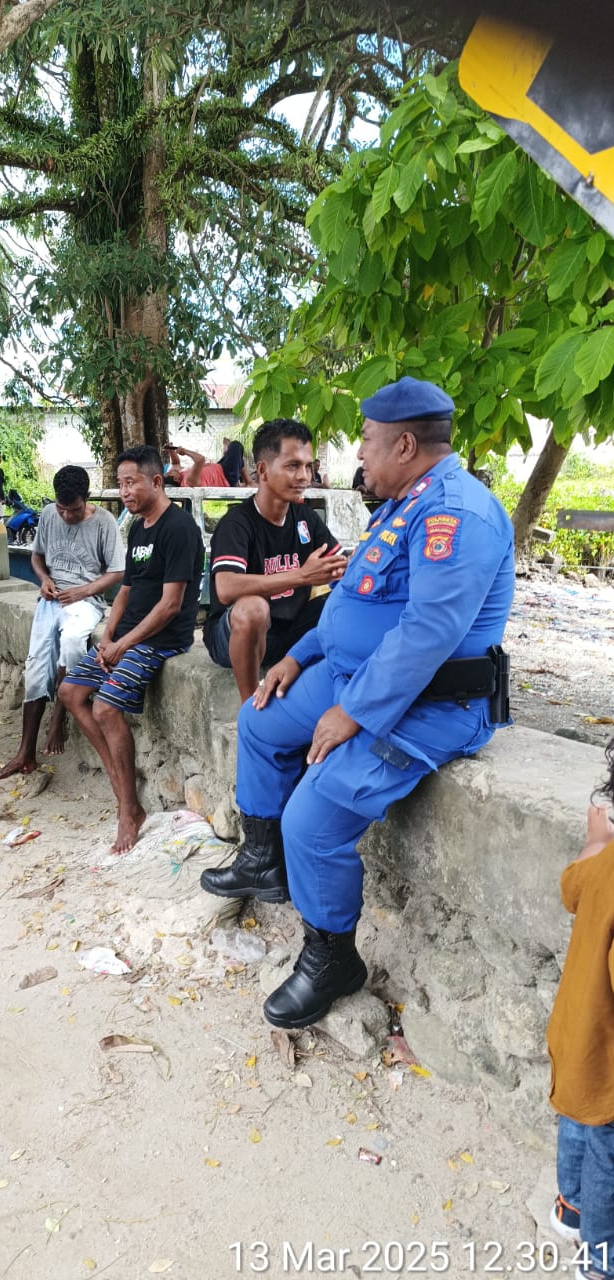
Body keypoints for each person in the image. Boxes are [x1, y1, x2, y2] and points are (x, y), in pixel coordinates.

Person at [200, 375, 514, 1029]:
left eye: (367, 442)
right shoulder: (401, 505)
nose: (357, 456)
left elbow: (428, 633)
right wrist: (295, 656)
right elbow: (348, 609)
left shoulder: (455, 514)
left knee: (311, 820)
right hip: (347, 677)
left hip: (421, 707)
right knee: (257, 721)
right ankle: (263, 863)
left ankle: (332, 958)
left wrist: (356, 713)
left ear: (404, 444)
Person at [59, 446, 204, 855]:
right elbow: (126, 590)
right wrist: (107, 635)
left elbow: (170, 605)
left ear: (156, 481)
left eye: (131, 482)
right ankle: (120, 781)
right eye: (120, 483)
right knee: (70, 692)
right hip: (126, 636)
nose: (123, 491)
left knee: (105, 708)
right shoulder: (138, 528)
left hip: (160, 641)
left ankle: (128, 808)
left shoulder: (179, 529)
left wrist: (124, 643)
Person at [0, 465, 125, 779]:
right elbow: (37, 557)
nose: (66, 515)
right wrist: (44, 579)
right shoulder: (50, 514)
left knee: (71, 643)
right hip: (51, 600)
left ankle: (59, 720)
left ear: (86, 498)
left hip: (86, 601)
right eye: (62, 508)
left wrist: (84, 590)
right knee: (37, 663)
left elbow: (118, 572)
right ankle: (25, 753)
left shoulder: (104, 523)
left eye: (74, 509)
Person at [204, 419, 348, 701]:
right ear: (262, 470)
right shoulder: (237, 524)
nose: (304, 476)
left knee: (345, 599)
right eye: (293, 466)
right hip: (236, 635)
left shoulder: (304, 517)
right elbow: (226, 588)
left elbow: (341, 566)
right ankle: (250, 707)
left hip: (288, 630)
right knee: (253, 609)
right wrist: (302, 576)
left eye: (308, 466)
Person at [545, 740, 614, 1280]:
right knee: (608, 1156)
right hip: (608, 1061)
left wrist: (596, 842)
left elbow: (572, 888)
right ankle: (600, 1260)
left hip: (574, 1034)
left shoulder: (604, 864)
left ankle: (569, 1209)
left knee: (574, 1117)